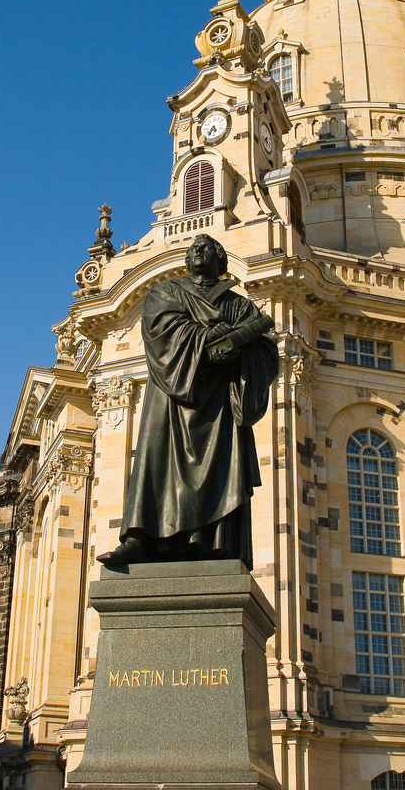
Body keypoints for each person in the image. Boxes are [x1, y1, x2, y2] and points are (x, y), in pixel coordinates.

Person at [97, 234, 279, 570]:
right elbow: (161, 331)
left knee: (220, 466)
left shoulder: (240, 305)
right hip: (170, 396)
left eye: (206, 247)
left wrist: (238, 353)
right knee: (153, 460)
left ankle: (212, 541)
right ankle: (138, 538)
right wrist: (209, 336)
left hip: (219, 400)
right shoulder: (165, 292)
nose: (197, 251)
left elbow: (265, 351)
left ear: (220, 259)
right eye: (193, 248)